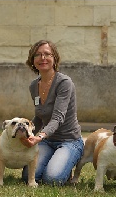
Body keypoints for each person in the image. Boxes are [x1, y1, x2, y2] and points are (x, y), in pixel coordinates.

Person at [20, 40, 84, 186]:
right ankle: (55, 161)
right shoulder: (33, 86)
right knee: (28, 176)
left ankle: (66, 164)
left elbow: (57, 118)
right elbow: (39, 116)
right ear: (32, 60)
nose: (43, 58)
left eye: (47, 54)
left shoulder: (64, 83)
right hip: (48, 141)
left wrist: (39, 136)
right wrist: (27, 132)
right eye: (38, 55)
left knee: (53, 180)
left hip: (69, 141)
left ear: (54, 58)